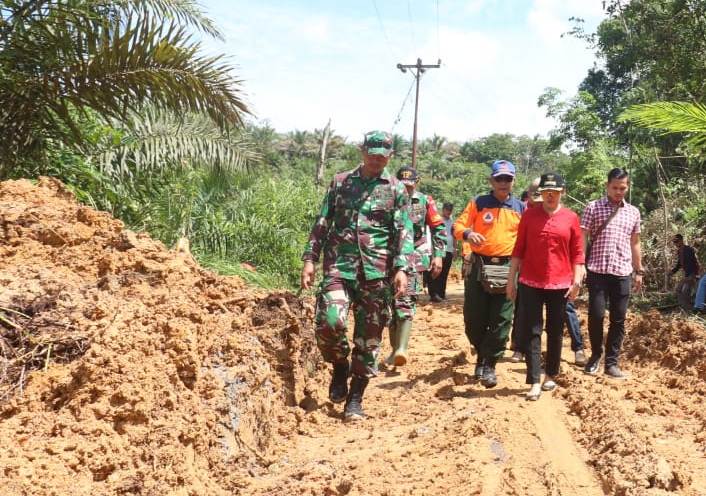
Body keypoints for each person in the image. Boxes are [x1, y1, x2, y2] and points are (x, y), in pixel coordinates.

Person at [300, 130, 414, 421]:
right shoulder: (341, 182)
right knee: (330, 322)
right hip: (340, 265)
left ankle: (355, 398)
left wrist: (402, 268)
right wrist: (310, 258)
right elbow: (323, 220)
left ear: (389, 156)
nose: (376, 159)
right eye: (371, 153)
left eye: (382, 155)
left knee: (369, 339)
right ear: (362, 151)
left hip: (377, 273)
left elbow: (404, 231)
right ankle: (339, 365)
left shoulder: (397, 189)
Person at [507, 172, 585, 400]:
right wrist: (511, 280)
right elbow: (518, 250)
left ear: (563, 193)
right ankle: (533, 380)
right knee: (532, 330)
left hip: (560, 284)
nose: (550, 196)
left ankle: (551, 374)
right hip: (531, 281)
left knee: (554, 331)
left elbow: (577, 254)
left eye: (555, 192)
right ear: (540, 194)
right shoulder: (530, 216)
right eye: (546, 192)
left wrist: (577, 281)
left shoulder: (571, 218)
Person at [453, 160, 524, 388]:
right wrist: (467, 234)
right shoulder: (478, 203)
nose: (503, 183)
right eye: (499, 178)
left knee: (501, 320)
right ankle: (481, 354)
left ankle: (489, 365)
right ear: (491, 180)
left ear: (513, 181)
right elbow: (457, 226)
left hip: (508, 268)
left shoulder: (521, 208)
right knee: (474, 318)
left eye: (508, 179)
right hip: (478, 267)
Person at [581, 167, 643, 379]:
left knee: (619, 319)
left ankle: (612, 362)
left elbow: (635, 242)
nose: (619, 191)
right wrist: (580, 264)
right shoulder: (593, 207)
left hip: (622, 271)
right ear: (607, 186)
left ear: (627, 187)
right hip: (597, 270)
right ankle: (595, 355)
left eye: (622, 188)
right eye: (615, 187)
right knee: (596, 315)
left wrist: (639, 270)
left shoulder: (633, 212)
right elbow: (583, 237)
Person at [386, 166, 446, 366]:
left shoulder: (424, 201)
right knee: (389, 306)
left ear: (416, 183)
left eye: (410, 186)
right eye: (403, 186)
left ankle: (402, 349)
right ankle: (394, 350)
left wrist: (438, 255)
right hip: (387, 259)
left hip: (413, 258)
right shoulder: (387, 199)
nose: (406, 189)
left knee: (406, 301)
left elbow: (438, 229)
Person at [428, 202, 455, 302]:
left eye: (450, 210)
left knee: (445, 273)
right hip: (439, 250)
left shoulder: (452, 222)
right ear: (443, 209)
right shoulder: (437, 220)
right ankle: (434, 294)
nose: (448, 211)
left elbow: (454, 235)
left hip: (449, 250)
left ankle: (441, 294)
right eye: (447, 209)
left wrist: (454, 249)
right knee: (436, 272)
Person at [670, 234, 700, 310]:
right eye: (674, 242)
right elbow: (679, 264)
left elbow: (694, 262)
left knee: (684, 290)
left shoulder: (689, 249)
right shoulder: (679, 251)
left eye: (676, 241)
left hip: (692, 274)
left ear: (681, 240)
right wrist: (672, 272)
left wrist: (693, 275)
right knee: (679, 290)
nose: (675, 244)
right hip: (687, 275)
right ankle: (685, 307)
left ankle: (689, 308)